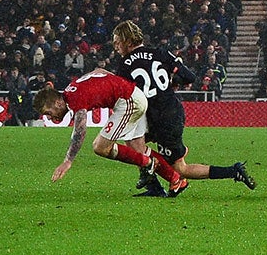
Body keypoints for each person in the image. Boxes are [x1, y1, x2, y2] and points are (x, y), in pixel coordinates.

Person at [107, 21, 253, 195]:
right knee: (133, 144)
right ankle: (153, 186)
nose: (115, 47)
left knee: (180, 168)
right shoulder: (160, 53)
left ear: (128, 41)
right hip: (169, 111)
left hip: (163, 120)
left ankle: (232, 171)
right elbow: (189, 76)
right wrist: (172, 83)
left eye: (117, 42)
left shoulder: (125, 65)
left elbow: (125, 95)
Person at [38, 65, 165, 189]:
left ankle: (148, 163)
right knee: (135, 146)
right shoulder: (71, 89)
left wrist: (68, 161)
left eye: (48, 113)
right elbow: (99, 70)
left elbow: (79, 132)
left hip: (128, 100)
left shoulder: (75, 99)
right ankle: (173, 178)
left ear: (58, 103)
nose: (49, 118)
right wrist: (115, 83)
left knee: (101, 146)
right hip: (130, 96)